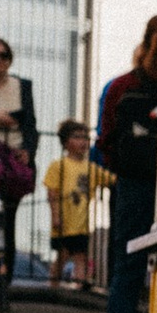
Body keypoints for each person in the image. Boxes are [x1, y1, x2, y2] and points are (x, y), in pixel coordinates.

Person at [93, 15, 157, 313]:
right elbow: (105, 140)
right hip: (140, 184)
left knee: (130, 264)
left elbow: (104, 141)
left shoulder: (123, 86)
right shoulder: (124, 87)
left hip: (139, 182)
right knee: (130, 263)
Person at [0, 41, 37, 313]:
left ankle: (5, 285)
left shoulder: (22, 86)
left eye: (4, 56)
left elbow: (31, 124)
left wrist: (29, 151)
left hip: (12, 162)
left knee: (9, 224)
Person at [45, 122, 98, 291]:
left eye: (85, 138)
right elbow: (52, 193)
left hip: (81, 223)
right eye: (77, 137)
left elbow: (109, 179)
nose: (83, 142)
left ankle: (80, 286)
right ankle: (53, 286)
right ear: (65, 142)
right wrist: (56, 216)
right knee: (63, 254)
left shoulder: (91, 168)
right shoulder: (58, 166)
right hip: (65, 222)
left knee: (81, 255)